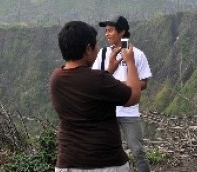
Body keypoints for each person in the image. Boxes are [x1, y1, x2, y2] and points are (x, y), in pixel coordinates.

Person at [49, 21, 141, 172]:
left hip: (68, 162)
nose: (98, 49)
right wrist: (130, 62)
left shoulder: (56, 77)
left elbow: (88, 87)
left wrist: (108, 71)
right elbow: (133, 97)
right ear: (87, 49)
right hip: (105, 163)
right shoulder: (98, 79)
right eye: (95, 45)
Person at [92, 16, 152, 172]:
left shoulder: (137, 54)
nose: (106, 34)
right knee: (106, 150)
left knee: (137, 150)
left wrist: (121, 85)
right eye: (105, 31)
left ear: (122, 32)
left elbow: (144, 83)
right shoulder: (103, 54)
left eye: (110, 30)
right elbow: (95, 79)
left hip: (129, 111)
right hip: (107, 111)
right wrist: (122, 85)